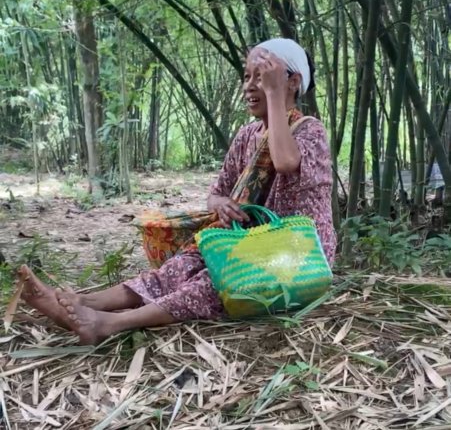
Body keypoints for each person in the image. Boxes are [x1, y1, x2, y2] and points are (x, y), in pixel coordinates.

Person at [18, 38, 336, 345]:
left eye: (262, 77)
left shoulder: (310, 130)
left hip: (297, 251)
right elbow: (216, 193)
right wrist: (222, 205)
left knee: (216, 281)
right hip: (250, 242)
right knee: (185, 263)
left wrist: (276, 93)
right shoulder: (247, 134)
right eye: (246, 77)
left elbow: (285, 162)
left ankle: (107, 324)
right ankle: (84, 302)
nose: (250, 86)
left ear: (292, 82)